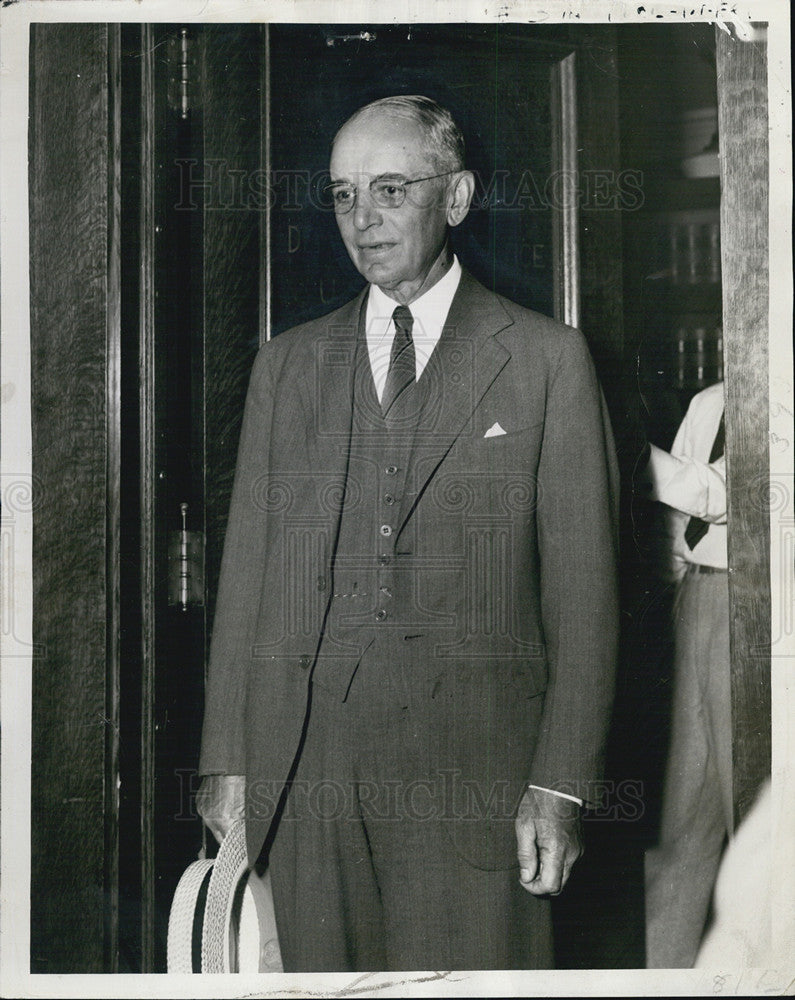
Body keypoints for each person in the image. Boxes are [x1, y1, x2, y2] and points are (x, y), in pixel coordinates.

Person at [196, 95, 619, 972]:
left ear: (455, 198)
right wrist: (228, 761)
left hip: (477, 780)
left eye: (390, 189)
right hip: (307, 775)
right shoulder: (286, 366)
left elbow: (584, 599)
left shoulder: (545, 360)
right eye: (344, 195)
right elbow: (248, 580)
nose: (363, 218)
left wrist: (560, 784)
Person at [639, 380, 731, 967]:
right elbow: (679, 523)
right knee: (683, 824)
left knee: (754, 817)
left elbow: (721, 495)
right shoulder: (708, 402)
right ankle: (664, 972)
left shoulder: (779, 397)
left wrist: (629, 451)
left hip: (753, 606)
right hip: (698, 600)